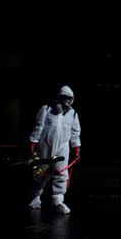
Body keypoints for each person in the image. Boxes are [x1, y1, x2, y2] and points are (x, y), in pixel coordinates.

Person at [28, 85, 81, 214]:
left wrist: (77, 148)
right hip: (44, 147)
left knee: (61, 175)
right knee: (40, 173)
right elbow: (38, 126)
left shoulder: (73, 114)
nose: (66, 101)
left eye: (69, 99)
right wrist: (33, 142)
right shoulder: (46, 109)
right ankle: (35, 198)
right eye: (64, 98)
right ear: (58, 97)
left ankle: (58, 201)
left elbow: (75, 133)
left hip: (62, 150)